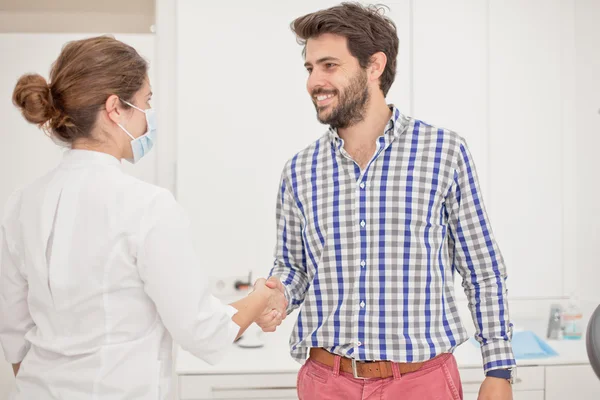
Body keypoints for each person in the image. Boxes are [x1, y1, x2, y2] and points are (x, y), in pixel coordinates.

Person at [0, 35, 287, 400]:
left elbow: (13, 332)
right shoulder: (146, 206)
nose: (149, 117)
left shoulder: (21, 203)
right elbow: (202, 332)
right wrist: (262, 296)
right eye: (146, 101)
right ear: (115, 108)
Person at [259, 3, 515, 399]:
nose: (314, 81)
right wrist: (277, 294)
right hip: (326, 381)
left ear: (374, 66)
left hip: (421, 383)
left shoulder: (443, 152)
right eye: (310, 68)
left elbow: (482, 270)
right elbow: (293, 267)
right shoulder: (299, 169)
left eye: (329, 65)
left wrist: (498, 369)